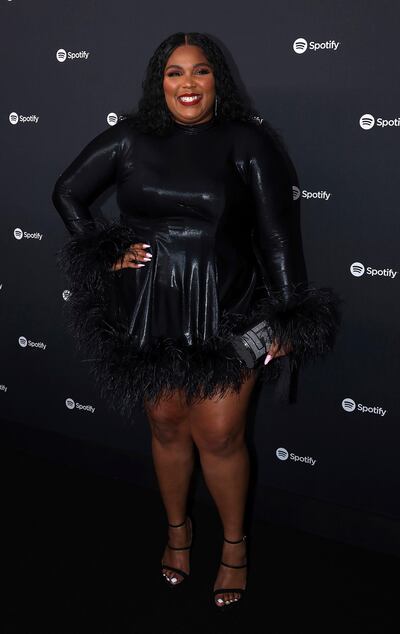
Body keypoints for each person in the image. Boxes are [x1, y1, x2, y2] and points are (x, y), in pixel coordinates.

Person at [52, 32, 341, 610]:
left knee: (220, 434)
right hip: (149, 308)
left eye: (200, 72)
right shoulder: (132, 137)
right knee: (164, 425)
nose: (187, 84)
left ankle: (234, 549)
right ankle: (178, 536)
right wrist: (105, 250)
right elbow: (67, 193)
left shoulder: (247, 142)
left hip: (231, 309)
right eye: (174, 73)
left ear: (218, 81)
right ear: (159, 82)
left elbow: (278, 234)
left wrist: (286, 314)